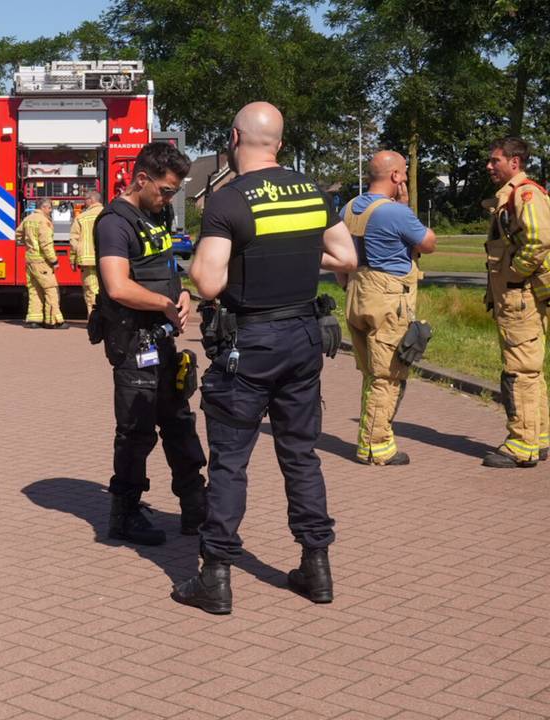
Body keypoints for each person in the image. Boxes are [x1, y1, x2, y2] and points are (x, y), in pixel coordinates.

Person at [172, 102, 357, 615]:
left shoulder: (228, 200)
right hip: (304, 339)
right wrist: (294, 255)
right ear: (280, 142)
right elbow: (346, 257)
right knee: (301, 454)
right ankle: (316, 567)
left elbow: (207, 281)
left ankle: (216, 576)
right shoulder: (312, 192)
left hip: (249, 345)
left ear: (234, 138)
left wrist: (244, 256)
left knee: (231, 462)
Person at [93, 143, 207, 546]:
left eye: (174, 191)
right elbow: (117, 286)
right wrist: (164, 304)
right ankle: (124, 515)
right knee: (136, 430)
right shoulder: (114, 223)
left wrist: (183, 293)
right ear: (141, 179)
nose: (169, 199)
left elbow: (166, 265)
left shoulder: (158, 214)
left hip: (162, 340)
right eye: (165, 190)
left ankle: (196, 506)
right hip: (132, 341)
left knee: (178, 422)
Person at [340, 151, 437, 466]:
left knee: (371, 373)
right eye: (404, 173)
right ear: (395, 176)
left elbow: (340, 259)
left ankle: (370, 439)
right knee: (388, 375)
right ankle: (376, 446)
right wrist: (405, 206)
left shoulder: (348, 208)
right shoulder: (394, 212)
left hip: (356, 294)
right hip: (388, 301)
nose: (406, 178)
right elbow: (428, 243)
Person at [482, 136, 550, 468]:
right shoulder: (510, 196)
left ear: (514, 162)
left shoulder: (525, 194)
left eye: (495, 160)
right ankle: (539, 437)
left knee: (519, 371)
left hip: (519, 297)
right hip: (515, 295)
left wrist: (514, 274)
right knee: (530, 370)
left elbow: (539, 239)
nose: (489, 166)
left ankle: (522, 445)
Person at [17, 198, 63, 328]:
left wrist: (29, 244)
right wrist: (54, 260)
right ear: (43, 207)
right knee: (51, 290)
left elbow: (18, 234)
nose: (50, 211)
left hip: (30, 260)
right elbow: (46, 244)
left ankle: (34, 320)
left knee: (34, 290)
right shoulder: (43, 221)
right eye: (49, 208)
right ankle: (53, 321)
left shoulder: (28, 219)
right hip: (42, 261)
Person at [69, 190, 104, 314]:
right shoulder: (109, 214)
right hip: (108, 260)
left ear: (91, 200)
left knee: (91, 291)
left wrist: (72, 259)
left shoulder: (81, 217)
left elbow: (74, 240)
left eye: (85, 200)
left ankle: (95, 319)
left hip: (88, 261)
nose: (84, 203)